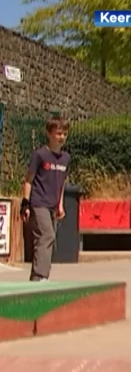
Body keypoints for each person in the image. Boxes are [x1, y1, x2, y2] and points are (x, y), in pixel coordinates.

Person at [21, 116, 71, 282]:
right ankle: (39, 275)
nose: (61, 137)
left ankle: (40, 277)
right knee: (46, 235)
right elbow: (29, 179)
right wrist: (25, 203)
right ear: (49, 134)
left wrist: (60, 204)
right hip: (38, 202)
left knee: (49, 239)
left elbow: (62, 182)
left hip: (52, 204)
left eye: (64, 134)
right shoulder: (40, 155)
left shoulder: (65, 158)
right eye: (58, 133)